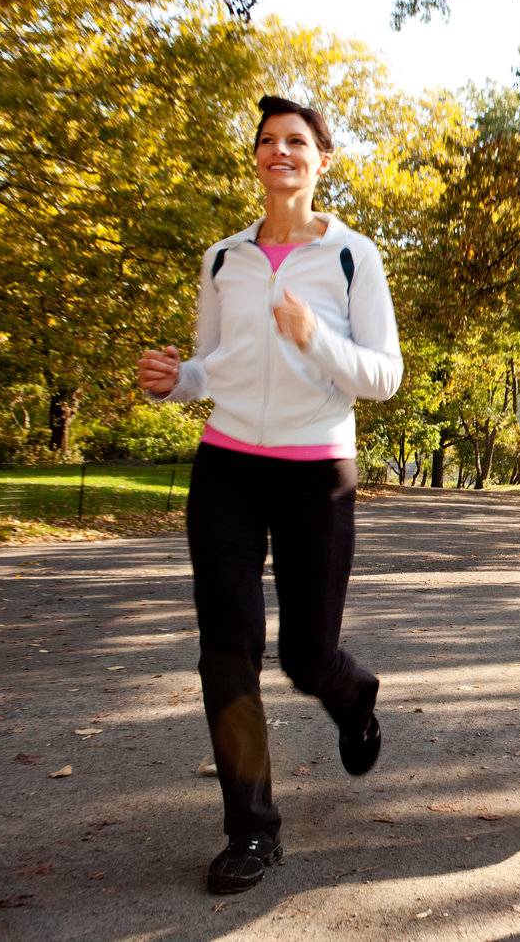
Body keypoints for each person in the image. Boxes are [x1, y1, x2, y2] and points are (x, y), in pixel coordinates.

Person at [136, 95, 403, 894]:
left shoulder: (354, 257)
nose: (279, 152)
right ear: (255, 159)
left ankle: (354, 700)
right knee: (228, 652)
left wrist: (313, 337)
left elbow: (384, 377)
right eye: (267, 142)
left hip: (316, 469)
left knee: (306, 654)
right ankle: (251, 829)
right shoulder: (225, 259)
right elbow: (209, 367)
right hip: (226, 468)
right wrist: (173, 381)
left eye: (296, 141)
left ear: (320, 160)